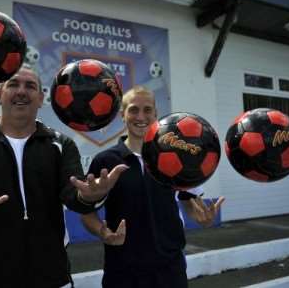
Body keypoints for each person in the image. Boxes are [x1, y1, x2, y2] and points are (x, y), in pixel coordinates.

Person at [0, 65, 127, 288]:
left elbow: (73, 195)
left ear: (41, 99)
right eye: (13, 84)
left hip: (51, 274)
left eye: (30, 86)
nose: (21, 91)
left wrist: (91, 196)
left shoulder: (61, 144)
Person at [81, 85, 225, 288]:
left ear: (156, 114)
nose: (141, 116)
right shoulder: (105, 161)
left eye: (147, 110)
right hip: (122, 271)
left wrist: (202, 218)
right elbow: (87, 213)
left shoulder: (178, 156)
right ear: (123, 115)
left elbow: (189, 204)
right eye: (133, 109)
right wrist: (103, 232)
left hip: (169, 269)